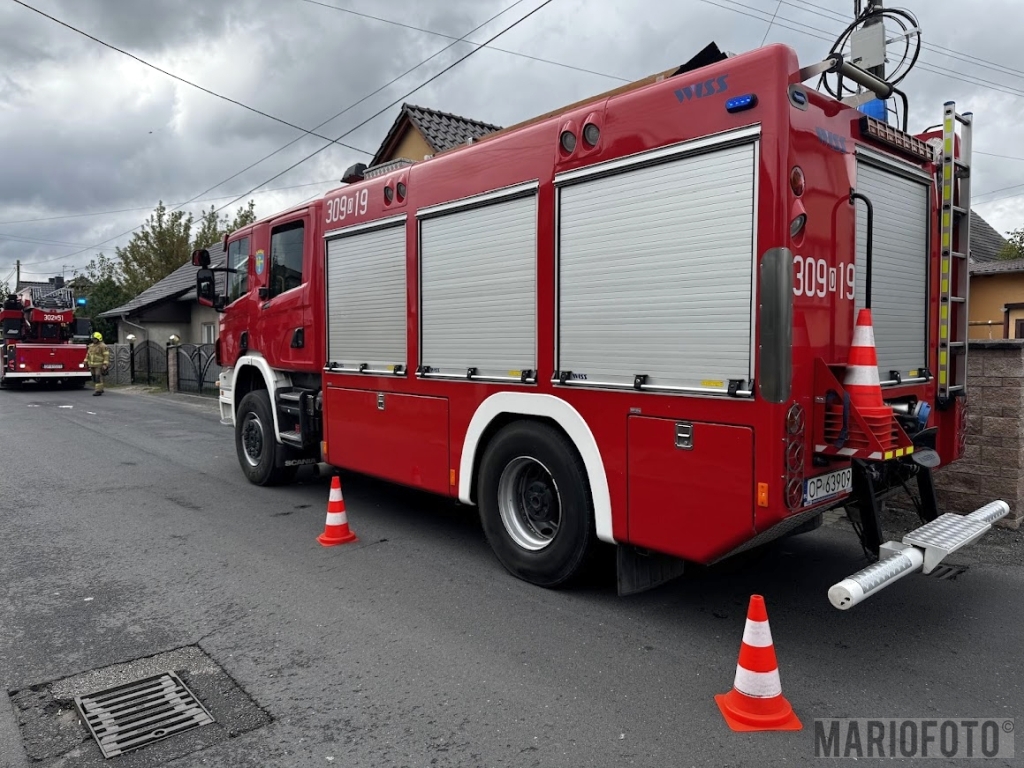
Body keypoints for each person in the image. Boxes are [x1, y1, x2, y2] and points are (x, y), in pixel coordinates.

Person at [84, 331, 110, 396]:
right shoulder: (91, 346)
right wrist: (85, 361)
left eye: (95, 339)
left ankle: (98, 391)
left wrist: (105, 364)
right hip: (92, 364)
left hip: (99, 365)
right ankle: (100, 389)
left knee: (98, 377)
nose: (93, 340)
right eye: (93, 339)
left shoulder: (103, 346)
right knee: (94, 377)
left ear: (99, 339)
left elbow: (106, 355)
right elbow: (88, 355)